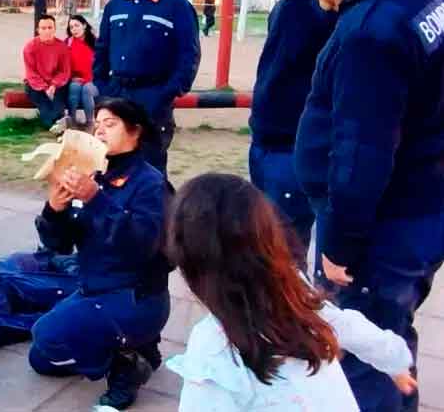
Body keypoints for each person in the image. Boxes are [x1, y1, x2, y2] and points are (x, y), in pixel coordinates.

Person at [293, 0, 444, 412]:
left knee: (362, 345)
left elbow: (362, 151)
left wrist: (340, 244)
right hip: (425, 203)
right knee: (393, 329)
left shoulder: (371, 32)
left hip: (386, 223)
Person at [165, 173, 417, 411]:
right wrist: (395, 360)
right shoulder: (291, 289)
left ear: (190, 264)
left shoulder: (213, 347)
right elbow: (349, 325)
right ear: (269, 235)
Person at [27, 98, 171, 410]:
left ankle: (129, 364)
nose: (100, 130)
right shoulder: (94, 174)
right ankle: (136, 345)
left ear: (135, 132)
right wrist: (54, 210)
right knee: (41, 358)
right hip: (95, 286)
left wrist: (97, 199)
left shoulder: (150, 184)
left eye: (111, 124)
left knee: (47, 334)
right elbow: (58, 245)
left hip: (136, 295)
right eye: (98, 124)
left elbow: (145, 245)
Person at [249, 0, 336, 263]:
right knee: (263, 237)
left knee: (286, 247)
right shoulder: (284, 5)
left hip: (293, 147)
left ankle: (288, 310)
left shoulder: (325, 8)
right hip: (263, 142)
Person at [94, 0, 201, 175]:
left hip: (153, 96)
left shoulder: (176, 5)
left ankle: (156, 213)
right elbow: (101, 49)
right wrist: (103, 89)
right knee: (113, 165)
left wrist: (166, 94)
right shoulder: (117, 4)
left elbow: (189, 56)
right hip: (117, 93)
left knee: (149, 170)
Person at [23, 14, 71, 133]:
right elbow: (31, 73)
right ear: (38, 30)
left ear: (54, 29)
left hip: (57, 84)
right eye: (43, 28)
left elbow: (64, 71)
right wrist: (45, 88)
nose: (47, 31)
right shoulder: (30, 47)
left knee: (58, 103)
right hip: (36, 85)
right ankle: (58, 126)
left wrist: (54, 85)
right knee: (44, 104)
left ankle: (57, 125)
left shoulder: (62, 47)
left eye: (50, 28)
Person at [65, 14, 98, 128]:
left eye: (77, 25)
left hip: (94, 81)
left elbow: (102, 64)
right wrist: (71, 78)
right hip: (76, 79)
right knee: (74, 87)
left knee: (87, 89)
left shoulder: (96, 42)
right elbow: (64, 65)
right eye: (71, 27)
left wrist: (93, 79)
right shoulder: (67, 43)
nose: (74, 29)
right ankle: (71, 121)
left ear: (84, 25)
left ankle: (90, 123)